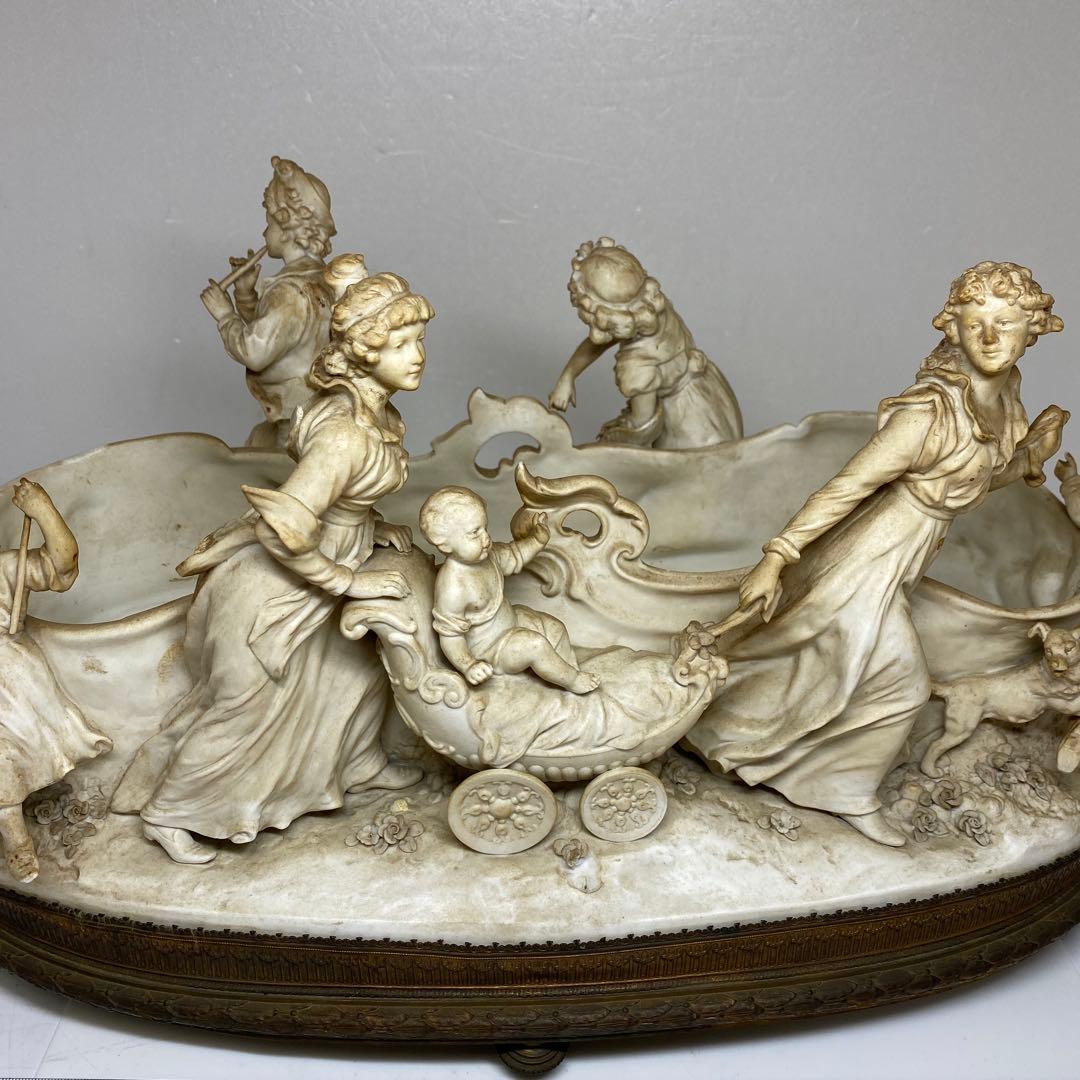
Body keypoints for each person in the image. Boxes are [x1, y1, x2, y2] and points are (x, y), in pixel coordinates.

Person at [683, 261, 1067, 846]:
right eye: (975, 325)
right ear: (954, 330)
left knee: (825, 665)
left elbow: (968, 486)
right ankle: (846, 793)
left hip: (907, 556)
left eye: (1007, 324)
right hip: (869, 558)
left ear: (1032, 330)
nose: (991, 338)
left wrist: (1030, 456)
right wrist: (777, 557)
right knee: (899, 684)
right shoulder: (929, 414)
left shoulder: (1001, 399)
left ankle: (750, 742)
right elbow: (845, 488)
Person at [113, 272, 434, 864]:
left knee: (355, 670)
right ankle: (169, 812)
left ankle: (356, 762)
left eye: (419, 341)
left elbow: (341, 495)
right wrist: (348, 580)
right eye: (402, 344)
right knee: (244, 703)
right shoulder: (345, 434)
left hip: (334, 550)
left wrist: (369, 522)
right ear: (367, 352)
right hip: (281, 581)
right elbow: (281, 528)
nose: (418, 356)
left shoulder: (376, 414)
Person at [0, 479, 111, 883]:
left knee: (4, 758)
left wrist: (42, 509)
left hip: (8, 679)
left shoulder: (4, 569)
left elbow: (61, 568)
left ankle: (17, 840)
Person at [548, 237, 742, 448]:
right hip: (707, 393)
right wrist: (568, 376)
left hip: (687, 425)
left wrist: (606, 443)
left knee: (692, 466)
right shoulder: (651, 308)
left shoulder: (636, 366)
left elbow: (643, 429)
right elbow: (600, 342)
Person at [200, 156, 337, 448]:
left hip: (293, 423)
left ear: (286, 228)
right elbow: (282, 337)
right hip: (319, 413)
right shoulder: (325, 281)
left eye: (269, 223)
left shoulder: (289, 291)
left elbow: (256, 351)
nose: (264, 233)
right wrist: (245, 295)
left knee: (258, 466)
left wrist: (224, 315)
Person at [419, 487, 599, 693]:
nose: (486, 538)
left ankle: (565, 671)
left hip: (512, 621)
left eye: (485, 528)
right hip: (491, 650)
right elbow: (450, 637)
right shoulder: (454, 588)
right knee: (535, 645)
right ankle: (572, 680)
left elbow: (515, 555)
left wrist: (536, 540)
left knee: (555, 627)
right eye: (474, 533)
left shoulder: (488, 556)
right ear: (444, 545)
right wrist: (468, 665)